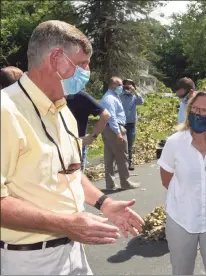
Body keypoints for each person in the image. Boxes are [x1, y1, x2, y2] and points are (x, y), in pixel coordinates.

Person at [1, 20, 144, 275]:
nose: (87, 72)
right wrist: (65, 223)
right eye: (82, 64)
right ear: (56, 58)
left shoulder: (62, 110)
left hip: (72, 251)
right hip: (30, 261)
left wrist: (103, 203)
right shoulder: (6, 111)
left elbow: (71, 173)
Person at [158, 88, 206, 275]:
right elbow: (166, 179)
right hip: (181, 219)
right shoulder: (174, 142)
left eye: (204, 111)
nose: (197, 114)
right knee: (181, 271)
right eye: (194, 109)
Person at [100, 76, 140, 190]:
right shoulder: (110, 99)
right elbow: (111, 117)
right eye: (120, 85)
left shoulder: (112, 97)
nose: (122, 87)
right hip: (114, 128)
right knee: (122, 156)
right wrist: (118, 133)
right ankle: (125, 182)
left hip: (109, 129)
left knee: (109, 157)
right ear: (113, 85)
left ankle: (110, 184)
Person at [66, 89, 111, 171]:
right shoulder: (53, 95)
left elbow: (106, 115)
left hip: (76, 145)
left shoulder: (80, 96)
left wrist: (92, 137)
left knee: (76, 179)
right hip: (56, 145)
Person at [119, 79, 144, 170]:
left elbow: (141, 102)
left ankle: (130, 162)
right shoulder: (120, 95)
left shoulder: (134, 96)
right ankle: (120, 162)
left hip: (131, 123)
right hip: (121, 123)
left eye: (130, 86)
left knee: (130, 143)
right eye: (126, 85)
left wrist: (135, 92)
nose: (127, 87)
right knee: (120, 143)